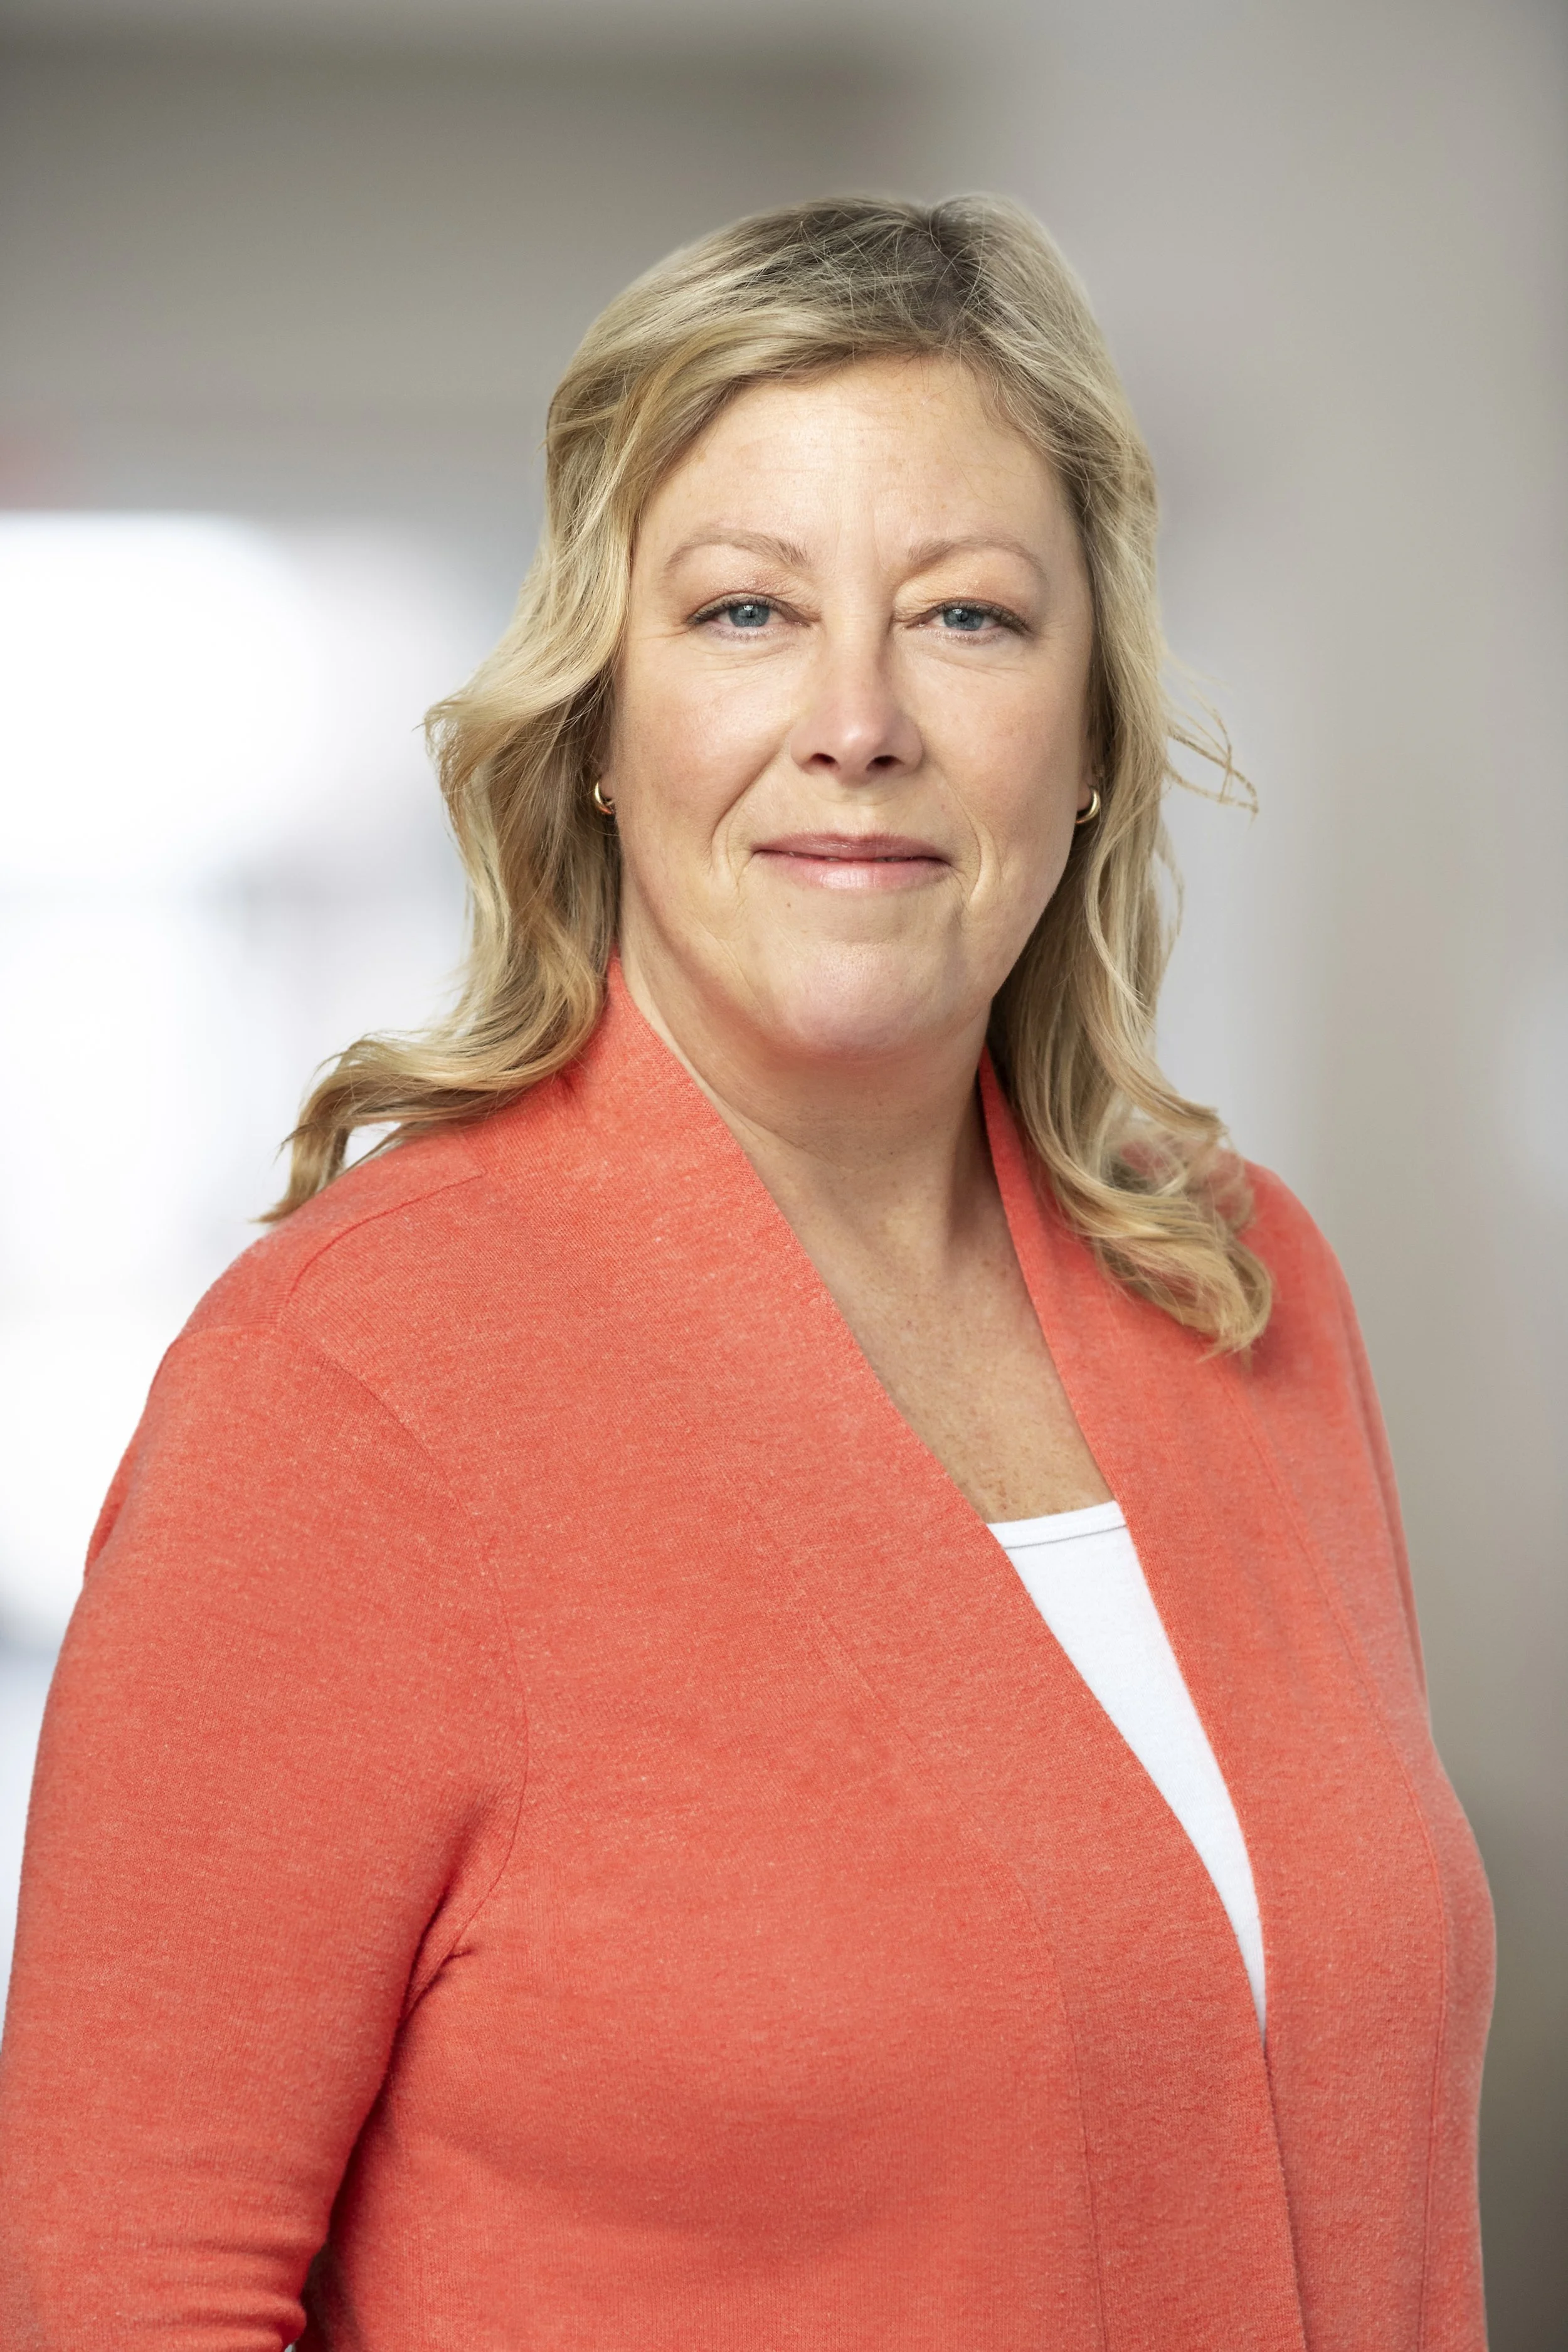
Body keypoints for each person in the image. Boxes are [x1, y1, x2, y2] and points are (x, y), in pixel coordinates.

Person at [0, 196, 1491, 2350]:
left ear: (1088, 733)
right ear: (598, 724)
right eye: (743, 610)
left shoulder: (1244, 1292)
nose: (855, 717)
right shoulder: (348, 1387)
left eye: (967, 615)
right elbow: (116, 2286)